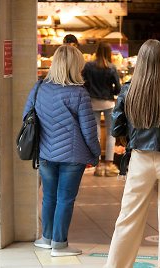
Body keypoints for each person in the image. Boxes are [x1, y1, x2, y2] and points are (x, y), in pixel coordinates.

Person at [105, 39, 160, 268]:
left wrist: (131, 134)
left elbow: (116, 128)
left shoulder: (128, 89)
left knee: (128, 218)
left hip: (139, 160)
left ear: (140, 62)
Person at [23, 45, 101, 257]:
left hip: (46, 154)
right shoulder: (79, 93)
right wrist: (96, 154)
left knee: (49, 197)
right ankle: (60, 244)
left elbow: (27, 117)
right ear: (76, 66)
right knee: (65, 199)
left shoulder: (39, 87)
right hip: (72, 157)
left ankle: (46, 239)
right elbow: (89, 130)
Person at [82, 41, 122, 177]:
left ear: (97, 51)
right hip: (108, 103)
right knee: (111, 134)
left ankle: (97, 164)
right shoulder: (111, 68)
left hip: (93, 102)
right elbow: (118, 88)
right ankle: (109, 165)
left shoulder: (88, 66)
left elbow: (83, 83)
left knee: (96, 134)